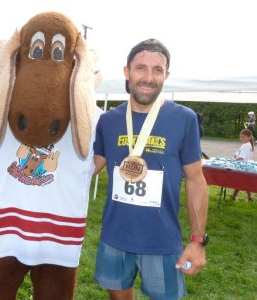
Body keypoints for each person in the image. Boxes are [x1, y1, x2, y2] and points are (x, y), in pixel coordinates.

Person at [93, 39, 209, 300]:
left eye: (158, 70)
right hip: (114, 238)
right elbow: (89, 167)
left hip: (161, 241)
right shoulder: (108, 121)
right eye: (141, 68)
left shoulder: (184, 119)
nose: (148, 77)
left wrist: (197, 240)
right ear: (127, 72)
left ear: (166, 74)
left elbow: (195, 180)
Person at [231, 128, 254, 201]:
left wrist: (234, 161)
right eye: (241, 137)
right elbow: (240, 154)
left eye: (243, 137)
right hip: (245, 166)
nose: (241, 138)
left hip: (242, 166)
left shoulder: (246, 145)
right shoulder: (247, 144)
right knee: (243, 182)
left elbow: (241, 157)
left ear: (249, 137)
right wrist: (237, 155)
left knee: (241, 182)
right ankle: (249, 197)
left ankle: (234, 196)